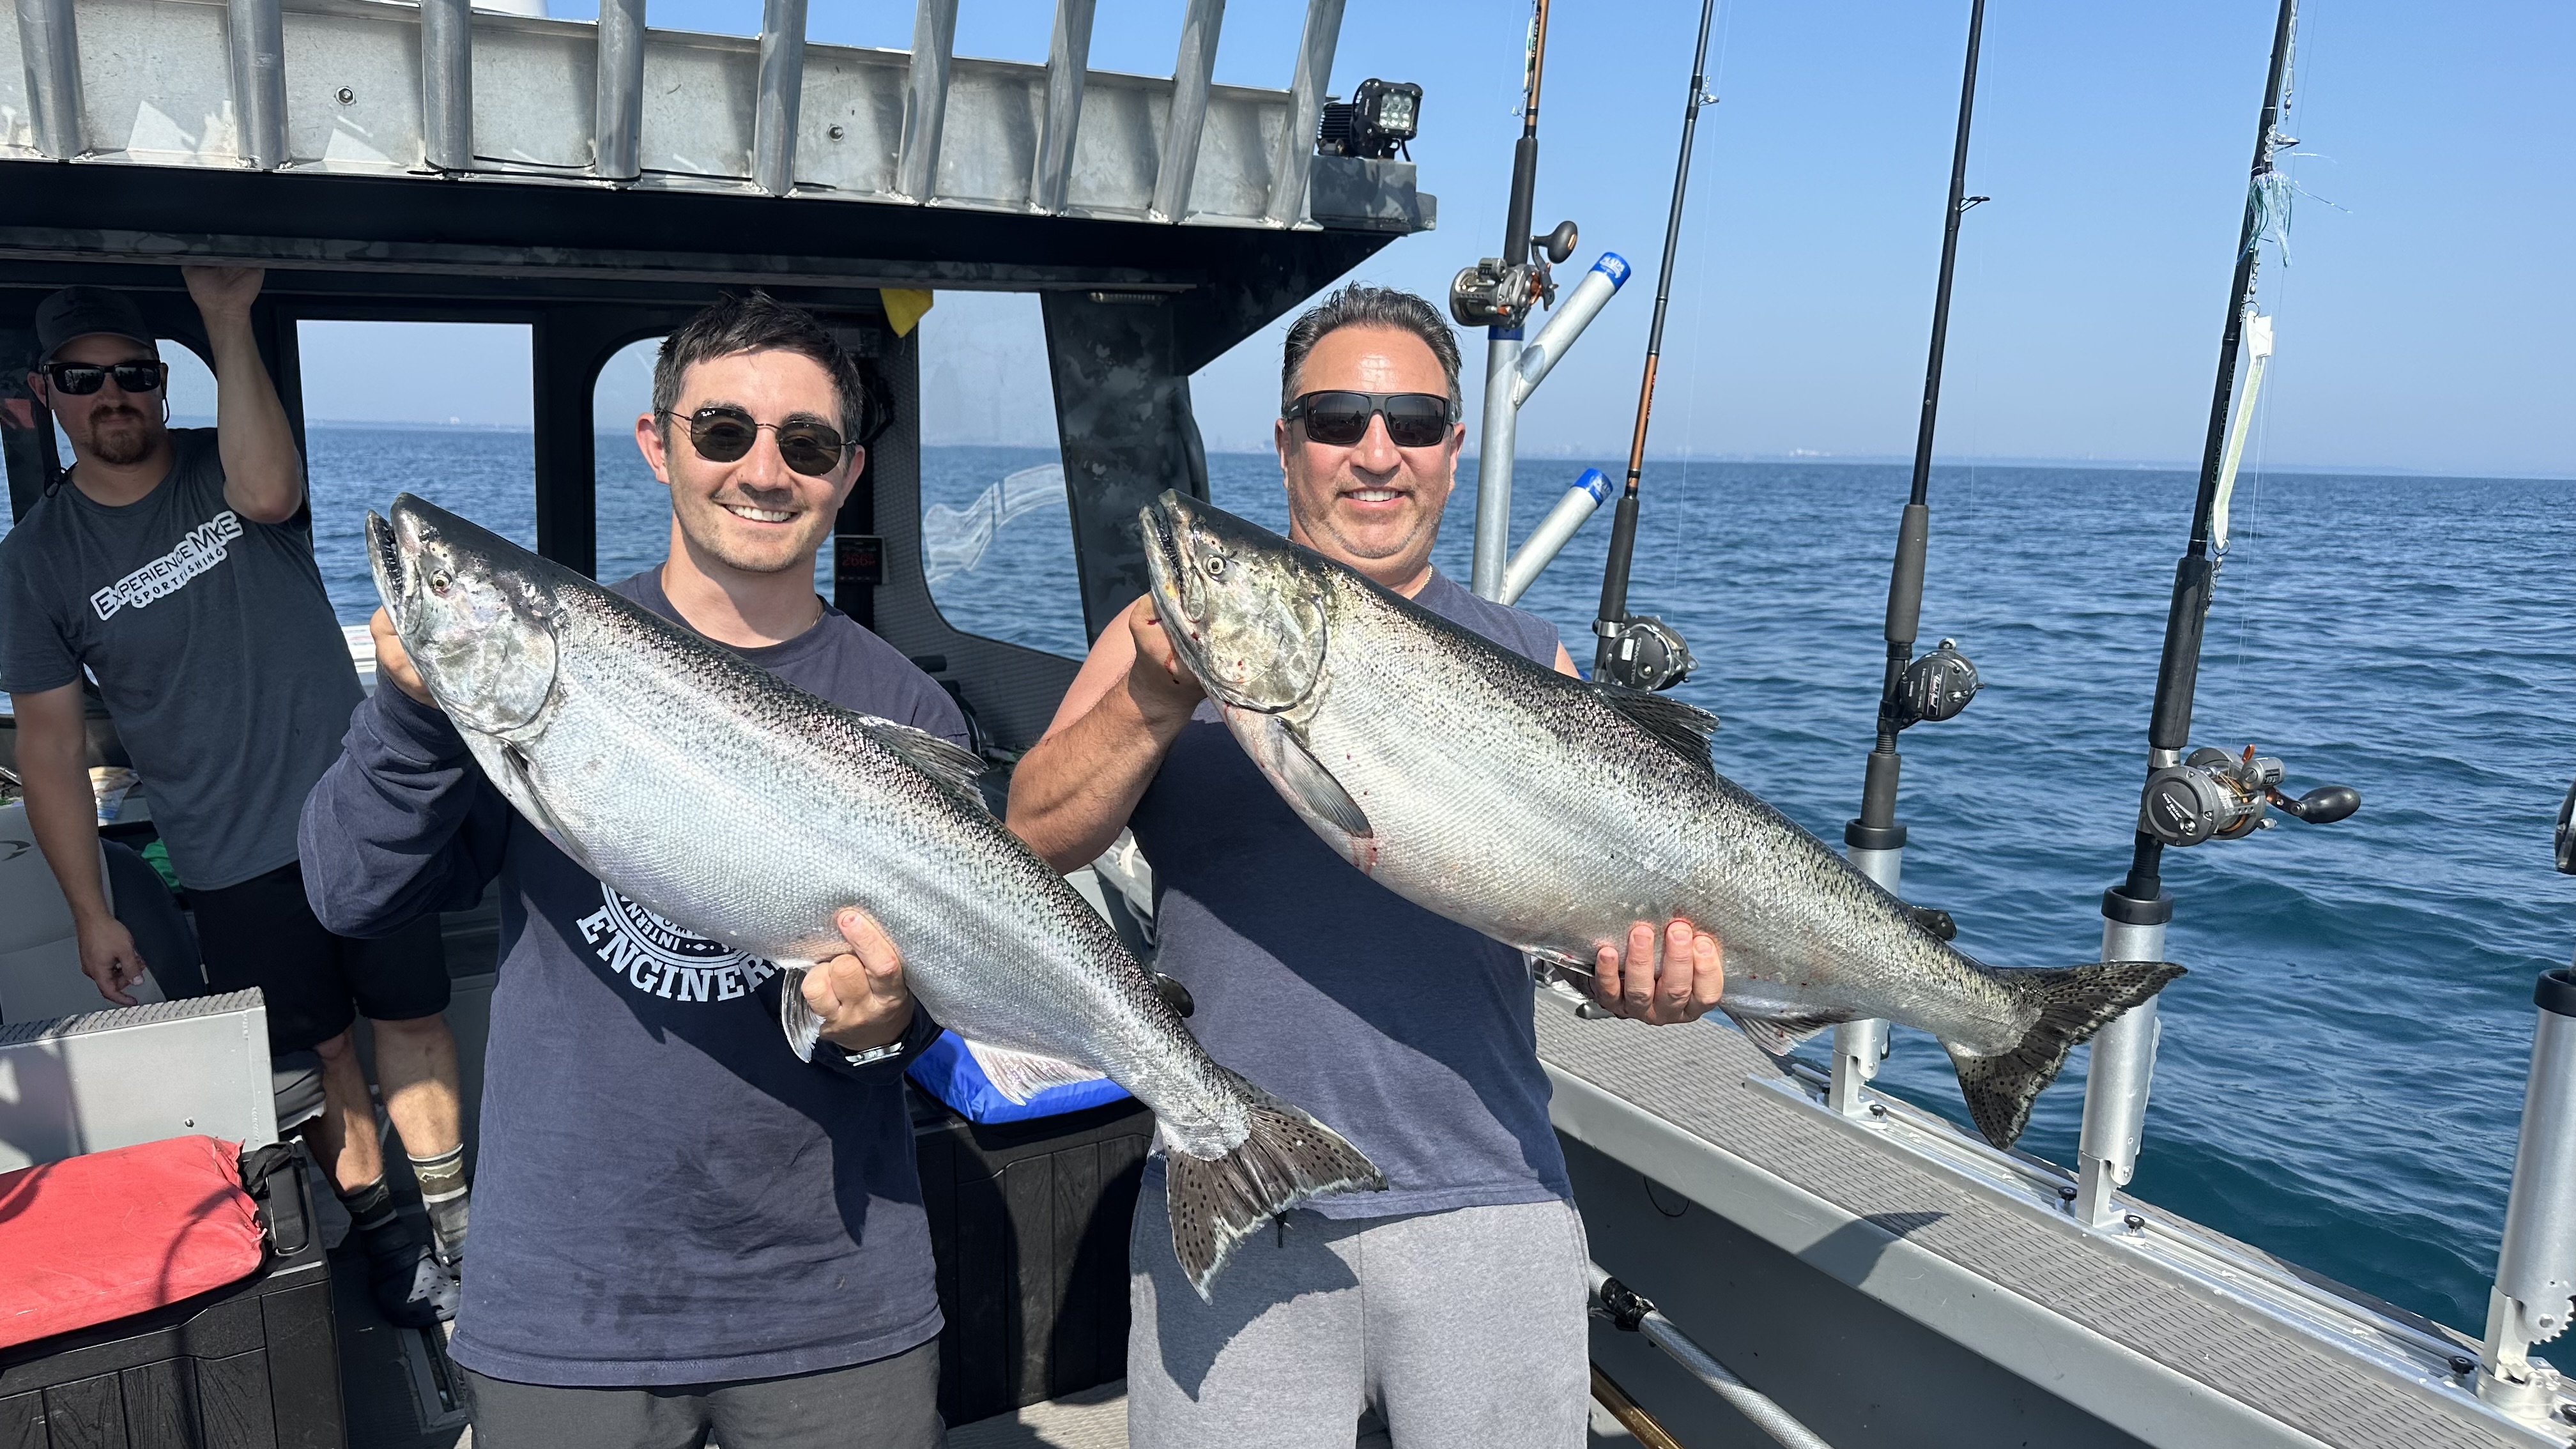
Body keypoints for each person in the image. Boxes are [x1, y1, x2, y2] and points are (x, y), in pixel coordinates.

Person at [1006, 284, 1726, 1448]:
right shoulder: (1163, 635)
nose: (1377, 452)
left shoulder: (1529, 655)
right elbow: (1031, 842)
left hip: (1488, 1193)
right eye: (1338, 419)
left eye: (1415, 422)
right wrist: (1152, 698)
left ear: (1454, 447)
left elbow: (1580, 923)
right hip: (1237, 1193)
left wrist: (1642, 982)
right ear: (1286, 441)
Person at [300, 291, 954, 1449]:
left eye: (807, 445)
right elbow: (351, 890)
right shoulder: (548, 666)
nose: (764, 471)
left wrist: (884, 1029)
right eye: (723, 431)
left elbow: (937, 1004)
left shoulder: (906, 712)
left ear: (849, 473)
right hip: (567, 1297)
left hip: (835, 1298)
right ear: (659, 444)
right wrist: (412, 711)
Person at [0, 272, 471, 1327]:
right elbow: (50, 747)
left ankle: (461, 1233)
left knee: (412, 1019)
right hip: (227, 853)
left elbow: (267, 496)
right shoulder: (34, 561)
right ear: (47, 393)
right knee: (324, 1051)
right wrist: (90, 913)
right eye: (84, 379)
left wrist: (223, 315)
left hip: (364, 810)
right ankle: (391, 1243)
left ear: (162, 385)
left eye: (134, 373)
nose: (112, 394)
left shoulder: (225, 463)